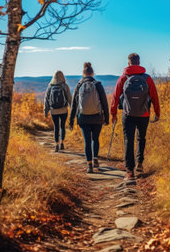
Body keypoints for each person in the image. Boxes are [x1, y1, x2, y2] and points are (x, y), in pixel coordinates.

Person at [111, 53, 160, 181]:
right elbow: (154, 96)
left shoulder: (123, 78)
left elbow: (115, 97)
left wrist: (113, 114)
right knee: (141, 138)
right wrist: (157, 112)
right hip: (144, 114)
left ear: (128, 63)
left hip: (128, 114)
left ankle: (130, 172)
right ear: (139, 63)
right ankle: (140, 163)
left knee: (128, 140)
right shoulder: (147, 78)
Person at [69, 62, 109, 173]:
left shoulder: (79, 85)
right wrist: (106, 118)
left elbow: (74, 104)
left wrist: (71, 120)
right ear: (92, 73)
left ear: (83, 73)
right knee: (95, 139)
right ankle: (95, 158)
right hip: (97, 117)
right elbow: (104, 103)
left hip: (83, 118)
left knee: (87, 141)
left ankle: (89, 166)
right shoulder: (98, 84)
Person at [44, 70, 72, 152]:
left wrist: (45, 111)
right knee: (62, 126)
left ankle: (56, 144)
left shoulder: (50, 86)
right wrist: (72, 109)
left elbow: (46, 99)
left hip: (53, 111)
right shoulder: (65, 86)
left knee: (56, 127)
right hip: (63, 110)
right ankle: (62, 143)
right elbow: (69, 98)